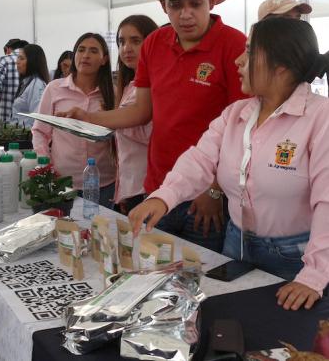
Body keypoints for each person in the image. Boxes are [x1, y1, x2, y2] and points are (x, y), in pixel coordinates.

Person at [129, 17, 329, 311]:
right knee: (233, 329)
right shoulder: (237, 113)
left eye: (249, 52)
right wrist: (164, 196)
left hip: (296, 259)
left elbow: (326, 202)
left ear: (281, 65)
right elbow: (200, 159)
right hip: (237, 246)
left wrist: (314, 274)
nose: (237, 60)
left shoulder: (319, 118)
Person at [59, 0, 247, 251]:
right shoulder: (155, 44)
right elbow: (141, 110)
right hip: (158, 187)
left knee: (203, 284)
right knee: (154, 277)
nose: (185, 14)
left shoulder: (235, 44)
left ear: (212, 1)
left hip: (205, 195)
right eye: (176, 5)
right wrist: (89, 117)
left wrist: (213, 189)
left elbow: (242, 127)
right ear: (164, 6)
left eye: (195, 3)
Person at [32, 33, 116, 208]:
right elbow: (40, 131)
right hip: (62, 181)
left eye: (93, 51)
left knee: (98, 232)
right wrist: (46, 165)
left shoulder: (112, 93)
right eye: (81, 50)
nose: (85, 55)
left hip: (104, 182)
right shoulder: (54, 89)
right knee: (64, 231)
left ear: (104, 59)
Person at [113, 15, 158, 214]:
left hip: (148, 188)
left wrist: (113, 122)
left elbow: (154, 135)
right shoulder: (130, 86)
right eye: (122, 42)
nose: (127, 48)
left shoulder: (157, 85)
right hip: (131, 187)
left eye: (135, 41)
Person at [0, 38, 29, 121]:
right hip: (27, 121)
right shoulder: (32, 61)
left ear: (8, 49)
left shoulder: (5, 60)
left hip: (6, 117)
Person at [12, 43, 50, 127]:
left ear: (32, 61)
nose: (17, 62)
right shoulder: (26, 82)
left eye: (21, 58)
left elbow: (37, 118)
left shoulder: (36, 84)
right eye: (18, 57)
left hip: (27, 135)